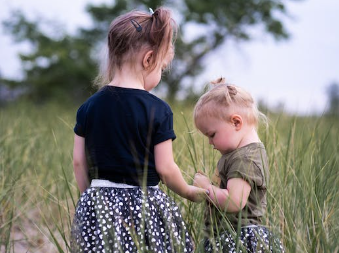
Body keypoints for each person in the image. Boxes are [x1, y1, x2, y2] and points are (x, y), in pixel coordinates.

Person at [70, 7, 206, 253]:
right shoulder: (159, 109)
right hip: (146, 206)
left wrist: (89, 199)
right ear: (149, 59)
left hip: (99, 201)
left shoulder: (88, 107)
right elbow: (165, 168)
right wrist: (187, 190)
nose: (160, 74)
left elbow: (79, 162)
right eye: (162, 68)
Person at [193, 78, 284, 252]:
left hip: (239, 238)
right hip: (229, 236)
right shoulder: (238, 154)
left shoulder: (245, 158)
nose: (210, 143)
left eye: (212, 134)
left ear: (236, 122)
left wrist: (206, 189)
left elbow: (234, 201)